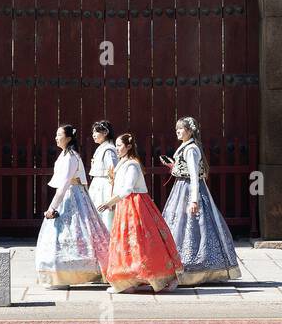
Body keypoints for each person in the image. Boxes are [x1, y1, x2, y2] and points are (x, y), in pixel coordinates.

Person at [97, 132, 182, 293]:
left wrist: (110, 202)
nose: (117, 148)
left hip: (135, 206)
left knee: (141, 242)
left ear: (129, 147)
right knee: (126, 242)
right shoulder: (122, 163)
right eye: (116, 146)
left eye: (120, 145)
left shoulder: (132, 165)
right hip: (125, 206)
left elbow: (128, 189)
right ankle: (129, 280)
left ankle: (159, 277)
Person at [161, 116, 241, 285]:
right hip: (181, 186)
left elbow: (195, 176)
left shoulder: (191, 149)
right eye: (177, 128)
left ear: (190, 131)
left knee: (193, 225)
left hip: (189, 189)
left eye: (181, 128)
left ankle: (195, 266)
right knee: (182, 225)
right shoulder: (187, 147)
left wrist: (194, 200)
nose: (178, 131)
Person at [34, 124, 110, 287]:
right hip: (71, 195)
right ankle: (60, 274)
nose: (56, 137)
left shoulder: (71, 157)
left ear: (68, 138)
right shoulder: (65, 155)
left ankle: (65, 274)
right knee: (65, 234)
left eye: (59, 134)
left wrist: (53, 207)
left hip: (72, 195)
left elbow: (65, 183)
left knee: (69, 232)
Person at [87, 120, 117, 228]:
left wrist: (112, 196)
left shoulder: (109, 150)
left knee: (106, 216)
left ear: (105, 133)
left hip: (105, 185)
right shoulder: (102, 148)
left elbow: (113, 171)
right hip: (98, 184)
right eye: (93, 132)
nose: (93, 135)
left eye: (96, 132)